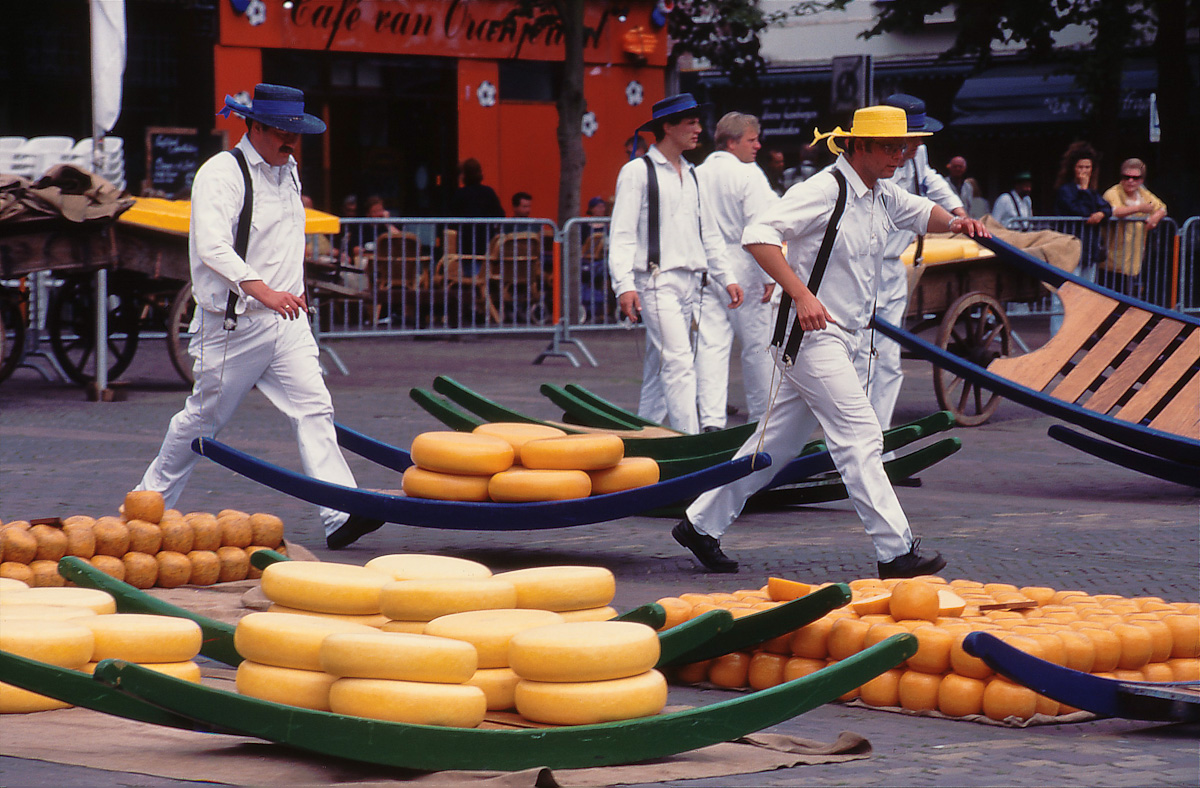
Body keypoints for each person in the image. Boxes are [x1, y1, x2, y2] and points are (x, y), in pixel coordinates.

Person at [673, 104, 989, 576]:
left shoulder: (881, 194)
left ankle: (699, 524)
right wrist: (800, 294)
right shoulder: (824, 190)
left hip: (844, 339)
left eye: (903, 147)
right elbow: (758, 234)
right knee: (860, 437)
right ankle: (896, 552)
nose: (900, 156)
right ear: (857, 146)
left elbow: (924, 212)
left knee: (774, 446)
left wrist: (959, 222)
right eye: (889, 147)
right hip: (811, 338)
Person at [134, 83, 382, 550]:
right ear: (256, 126)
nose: (291, 142)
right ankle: (147, 504)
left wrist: (296, 288)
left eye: (297, 133)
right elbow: (211, 247)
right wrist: (261, 289)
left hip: (286, 324)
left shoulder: (289, 173)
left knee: (315, 408)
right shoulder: (221, 174)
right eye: (283, 132)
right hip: (232, 325)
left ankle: (341, 511)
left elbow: (286, 238)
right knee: (201, 422)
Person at [608, 93, 744, 434]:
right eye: (691, 122)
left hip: (690, 284)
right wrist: (623, 285)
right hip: (656, 281)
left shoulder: (694, 175)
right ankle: (691, 437)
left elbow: (708, 233)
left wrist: (726, 276)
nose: (699, 129)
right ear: (667, 127)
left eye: (698, 122)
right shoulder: (638, 172)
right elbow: (622, 234)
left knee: (661, 365)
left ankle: (644, 432)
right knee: (680, 362)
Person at [856, 94, 967, 435]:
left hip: (893, 267)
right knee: (861, 358)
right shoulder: (873, 164)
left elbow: (930, 178)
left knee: (888, 361)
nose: (917, 145)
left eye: (919, 138)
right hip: (862, 268)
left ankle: (879, 441)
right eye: (912, 138)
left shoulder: (917, 153)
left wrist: (958, 211)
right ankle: (852, 444)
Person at [694, 112, 779, 432]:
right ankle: (761, 417)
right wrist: (771, 274)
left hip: (710, 262)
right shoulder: (748, 175)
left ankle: (711, 419)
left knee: (712, 344)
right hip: (746, 260)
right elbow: (761, 226)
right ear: (732, 142)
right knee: (757, 344)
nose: (758, 145)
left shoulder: (698, 174)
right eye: (751, 140)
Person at [1100, 158, 1167, 297]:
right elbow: (1113, 211)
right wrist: (1139, 208)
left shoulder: (1143, 194)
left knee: (1129, 301)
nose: (1131, 181)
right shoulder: (1113, 193)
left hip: (1134, 260)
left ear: (1141, 180)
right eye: (1127, 177)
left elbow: (1162, 207)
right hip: (1112, 262)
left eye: (1135, 178)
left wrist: (1155, 218)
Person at [450, 158, 505, 263]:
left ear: (465, 175)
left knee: (470, 273)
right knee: (483, 272)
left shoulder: (460, 194)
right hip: (486, 240)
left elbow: (452, 217)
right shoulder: (488, 192)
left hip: (466, 242)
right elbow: (500, 214)